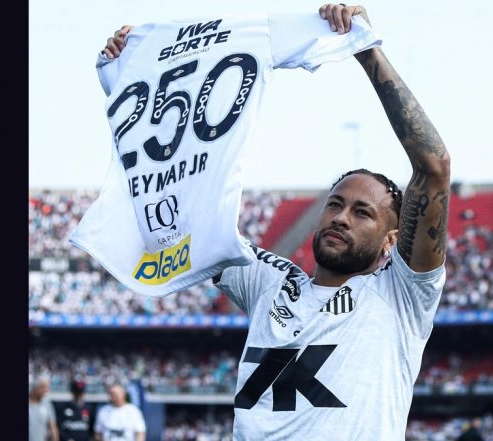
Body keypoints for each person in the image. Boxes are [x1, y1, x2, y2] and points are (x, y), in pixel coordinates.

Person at [101, 3, 450, 440]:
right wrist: (145, 69)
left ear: (390, 240)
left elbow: (433, 166)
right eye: (335, 204)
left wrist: (366, 50)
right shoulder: (270, 282)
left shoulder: (401, 297)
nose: (341, 217)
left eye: (362, 212)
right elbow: (179, 212)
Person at [29, 377, 60, 441]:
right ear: (35, 388)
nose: (46, 390)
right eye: (43, 387)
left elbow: (52, 427)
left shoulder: (47, 404)